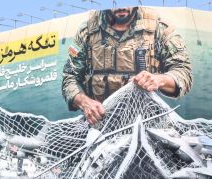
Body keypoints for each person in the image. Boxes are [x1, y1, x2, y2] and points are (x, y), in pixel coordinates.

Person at [61, 6, 193, 125]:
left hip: (148, 123)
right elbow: (70, 77)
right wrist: (84, 102)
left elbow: (183, 72)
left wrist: (159, 79)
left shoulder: (159, 28)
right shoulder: (87, 31)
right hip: (100, 123)